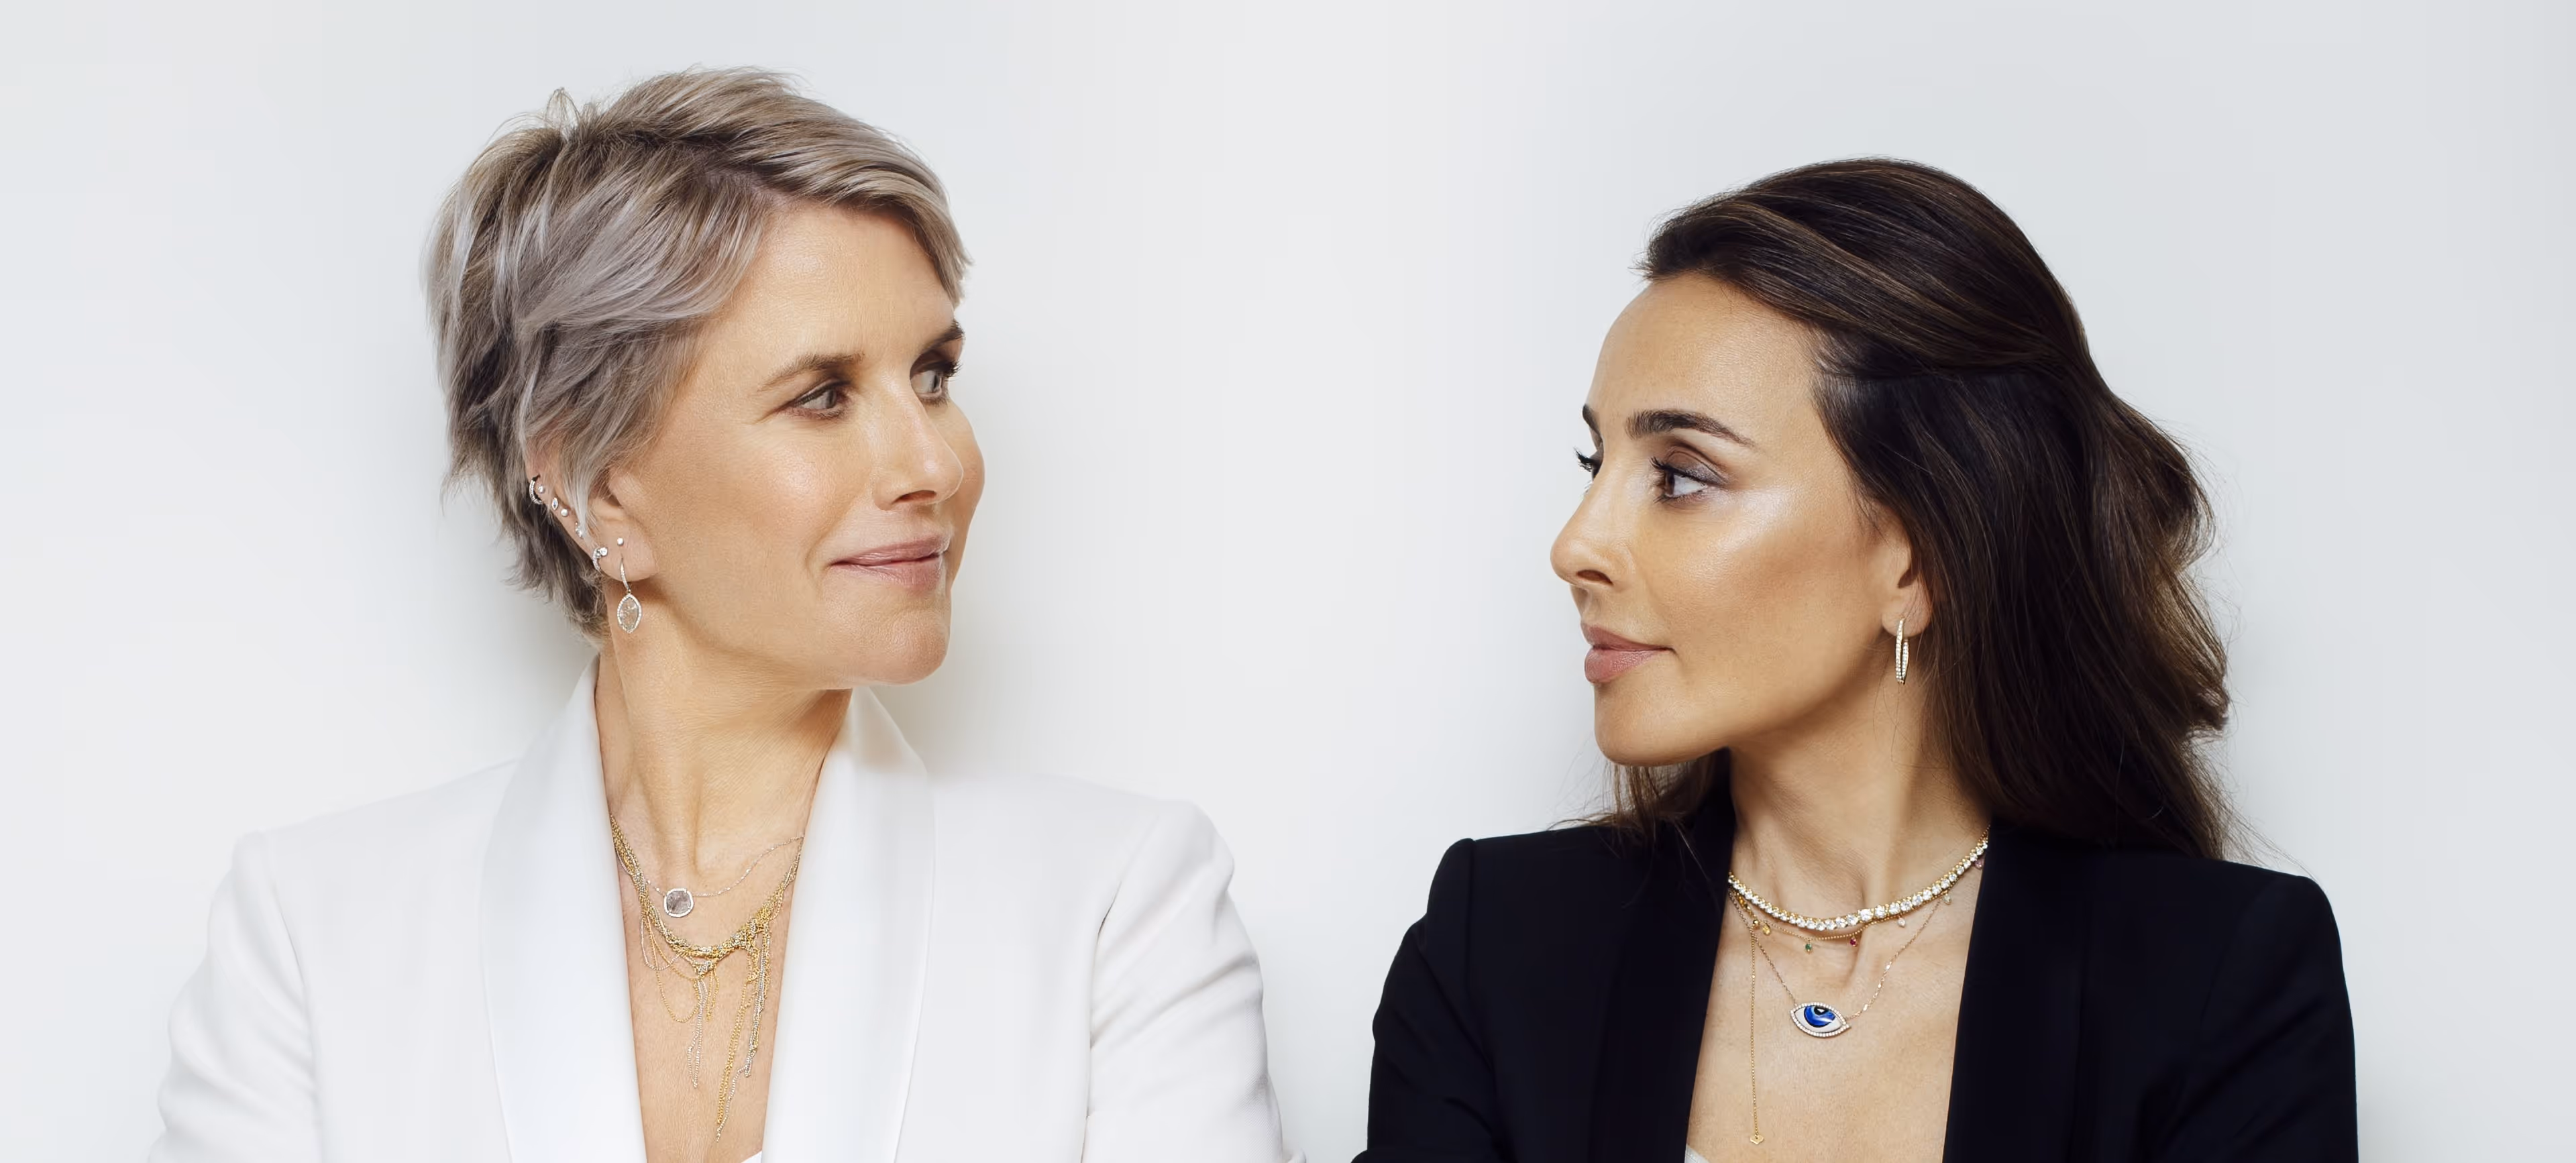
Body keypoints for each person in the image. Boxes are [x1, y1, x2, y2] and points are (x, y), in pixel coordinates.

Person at [150, 68, 1295, 1163]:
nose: (935, 463)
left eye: (933, 375)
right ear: (601, 488)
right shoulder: (315, 937)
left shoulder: (1119, 910)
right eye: (824, 395)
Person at [1361, 160, 2355, 1162]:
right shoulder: (1496, 950)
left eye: (1681, 476)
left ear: (1914, 562)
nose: (1575, 544)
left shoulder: (2219, 981)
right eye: (1596, 464)